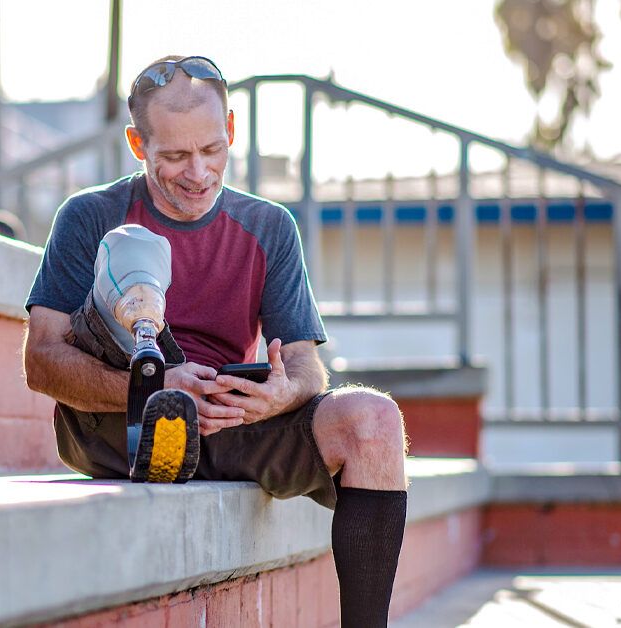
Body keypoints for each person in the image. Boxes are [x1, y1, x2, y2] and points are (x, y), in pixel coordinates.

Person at [23, 55, 408, 627]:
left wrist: (279, 396)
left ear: (230, 130)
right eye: (174, 156)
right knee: (132, 276)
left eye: (211, 150)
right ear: (138, 143)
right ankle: (159, 407)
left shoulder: (270, 227)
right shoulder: (88, 215)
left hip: (231, 418)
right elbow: (42, 360)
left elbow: (306, 368)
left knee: (374, 421)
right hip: (118, 421)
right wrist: (147, 386)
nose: (198, 172)